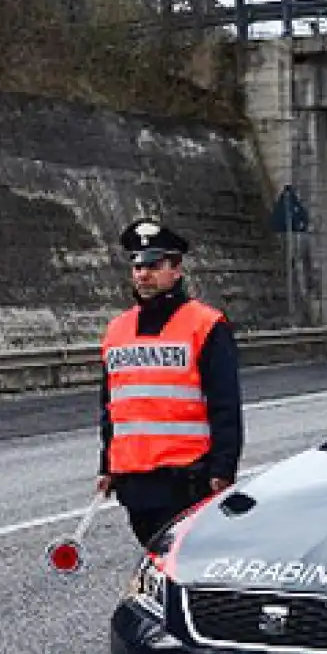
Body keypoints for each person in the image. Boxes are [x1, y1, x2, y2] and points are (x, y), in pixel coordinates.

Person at [96, 218, 244, 550]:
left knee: (184, 565)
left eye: (154, 265)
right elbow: (111, 407)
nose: (143, 274)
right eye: (137, 266)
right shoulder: (117, 330)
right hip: (135, 482)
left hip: (187, 479)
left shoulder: (205, 324)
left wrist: (223, 468)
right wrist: (106, 464)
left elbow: (225, 404)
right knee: (157, 563)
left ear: (176, 269)